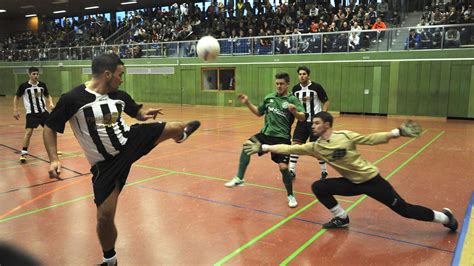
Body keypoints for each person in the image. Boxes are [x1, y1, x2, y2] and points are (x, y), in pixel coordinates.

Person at [43, 54, 201, 266]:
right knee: (104, 217)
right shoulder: (73, 99)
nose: (122, 79)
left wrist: (145, 114)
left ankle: (181, 135)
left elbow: (137, 113)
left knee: (177, 126)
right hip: (105, 165)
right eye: (120, 75)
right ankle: (110, 259)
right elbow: (50, 127)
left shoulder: (119, 96)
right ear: (107, 74)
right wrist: (53, 159)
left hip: (130, 141)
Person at [243, 112, 458, 231]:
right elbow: (288, 148)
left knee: (404, 209)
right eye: (313, 124)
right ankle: (342, 218)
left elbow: (370, 139)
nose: (313, 126)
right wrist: (263, 147)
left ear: (327, 124)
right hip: (351, 183)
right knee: (319, 187)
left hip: (372, 181)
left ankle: (445, 218)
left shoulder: (344, 136)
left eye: (317, 123)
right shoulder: (315, 147)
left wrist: (395, 132)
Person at [224, 72, 306, 208]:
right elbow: (258, 112)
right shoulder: (269, 98)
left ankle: (291, 195)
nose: (279, 86)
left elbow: (302, 118)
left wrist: (294, 112)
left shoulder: (293, 100)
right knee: (247, 145)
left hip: (282, 138)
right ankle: (239, 178)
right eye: (277, 83)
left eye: (282, 84)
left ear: (287, 84)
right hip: (266, 134)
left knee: (284, 167)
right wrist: (247, 103)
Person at [289, 66, 329, 180]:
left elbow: (326, 101)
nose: (302, 76)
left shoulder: (316, 87)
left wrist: (322, 116)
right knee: (295, 145)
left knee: (317, 148)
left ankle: (324, 171)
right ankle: (291, 170)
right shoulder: (295, 89)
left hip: (315, 123)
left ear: (308, 75)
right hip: (302, 122)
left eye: (304, 74)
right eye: (300, 74)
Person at [13, 67, 55, 163]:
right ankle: (24, 152)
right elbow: (17, 97)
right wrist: (15, 110)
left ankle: (53, 150)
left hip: (43, 112)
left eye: (37, 74)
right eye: (34, 74)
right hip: (31, 113)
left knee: (51, 130)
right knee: (29, 132)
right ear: (29, 74)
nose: (36, 76)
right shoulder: (24, 86)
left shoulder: (42, 85)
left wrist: (51, 103)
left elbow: (48, 95)